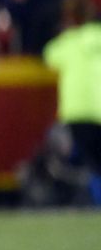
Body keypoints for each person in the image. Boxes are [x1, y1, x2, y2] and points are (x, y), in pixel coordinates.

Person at [43, 15, 101, 205]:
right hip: (98, 111)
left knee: (89, 163)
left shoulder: (71, 40)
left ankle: (94, 202)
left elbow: (48, 55)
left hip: (77, 112)